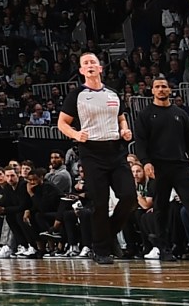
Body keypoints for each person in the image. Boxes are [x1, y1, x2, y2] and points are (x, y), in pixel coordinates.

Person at [58, 52, 138, 262]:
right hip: (92, 152)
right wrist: (76, 134)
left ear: (100, 68)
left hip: (116, 150)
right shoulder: (77, 94)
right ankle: (101, 250)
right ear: (82, 70)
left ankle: (107, 233)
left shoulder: (112, 94)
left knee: (129, 195)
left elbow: (121, 118)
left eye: (93, 62)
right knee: (100, 202)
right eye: (86, 63)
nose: (90, 65)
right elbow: (62, 123)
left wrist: (125, 130)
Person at [131, 77, 189, 258]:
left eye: (164, 87)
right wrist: (145, 161)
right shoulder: (145, 114)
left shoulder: (180, 113)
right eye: (157, 87)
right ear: (152, 91)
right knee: (161, 207)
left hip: (181, 165)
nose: (161, 89)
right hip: (158, 166)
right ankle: (164, 248)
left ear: (170, 90)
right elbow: (140, 142)